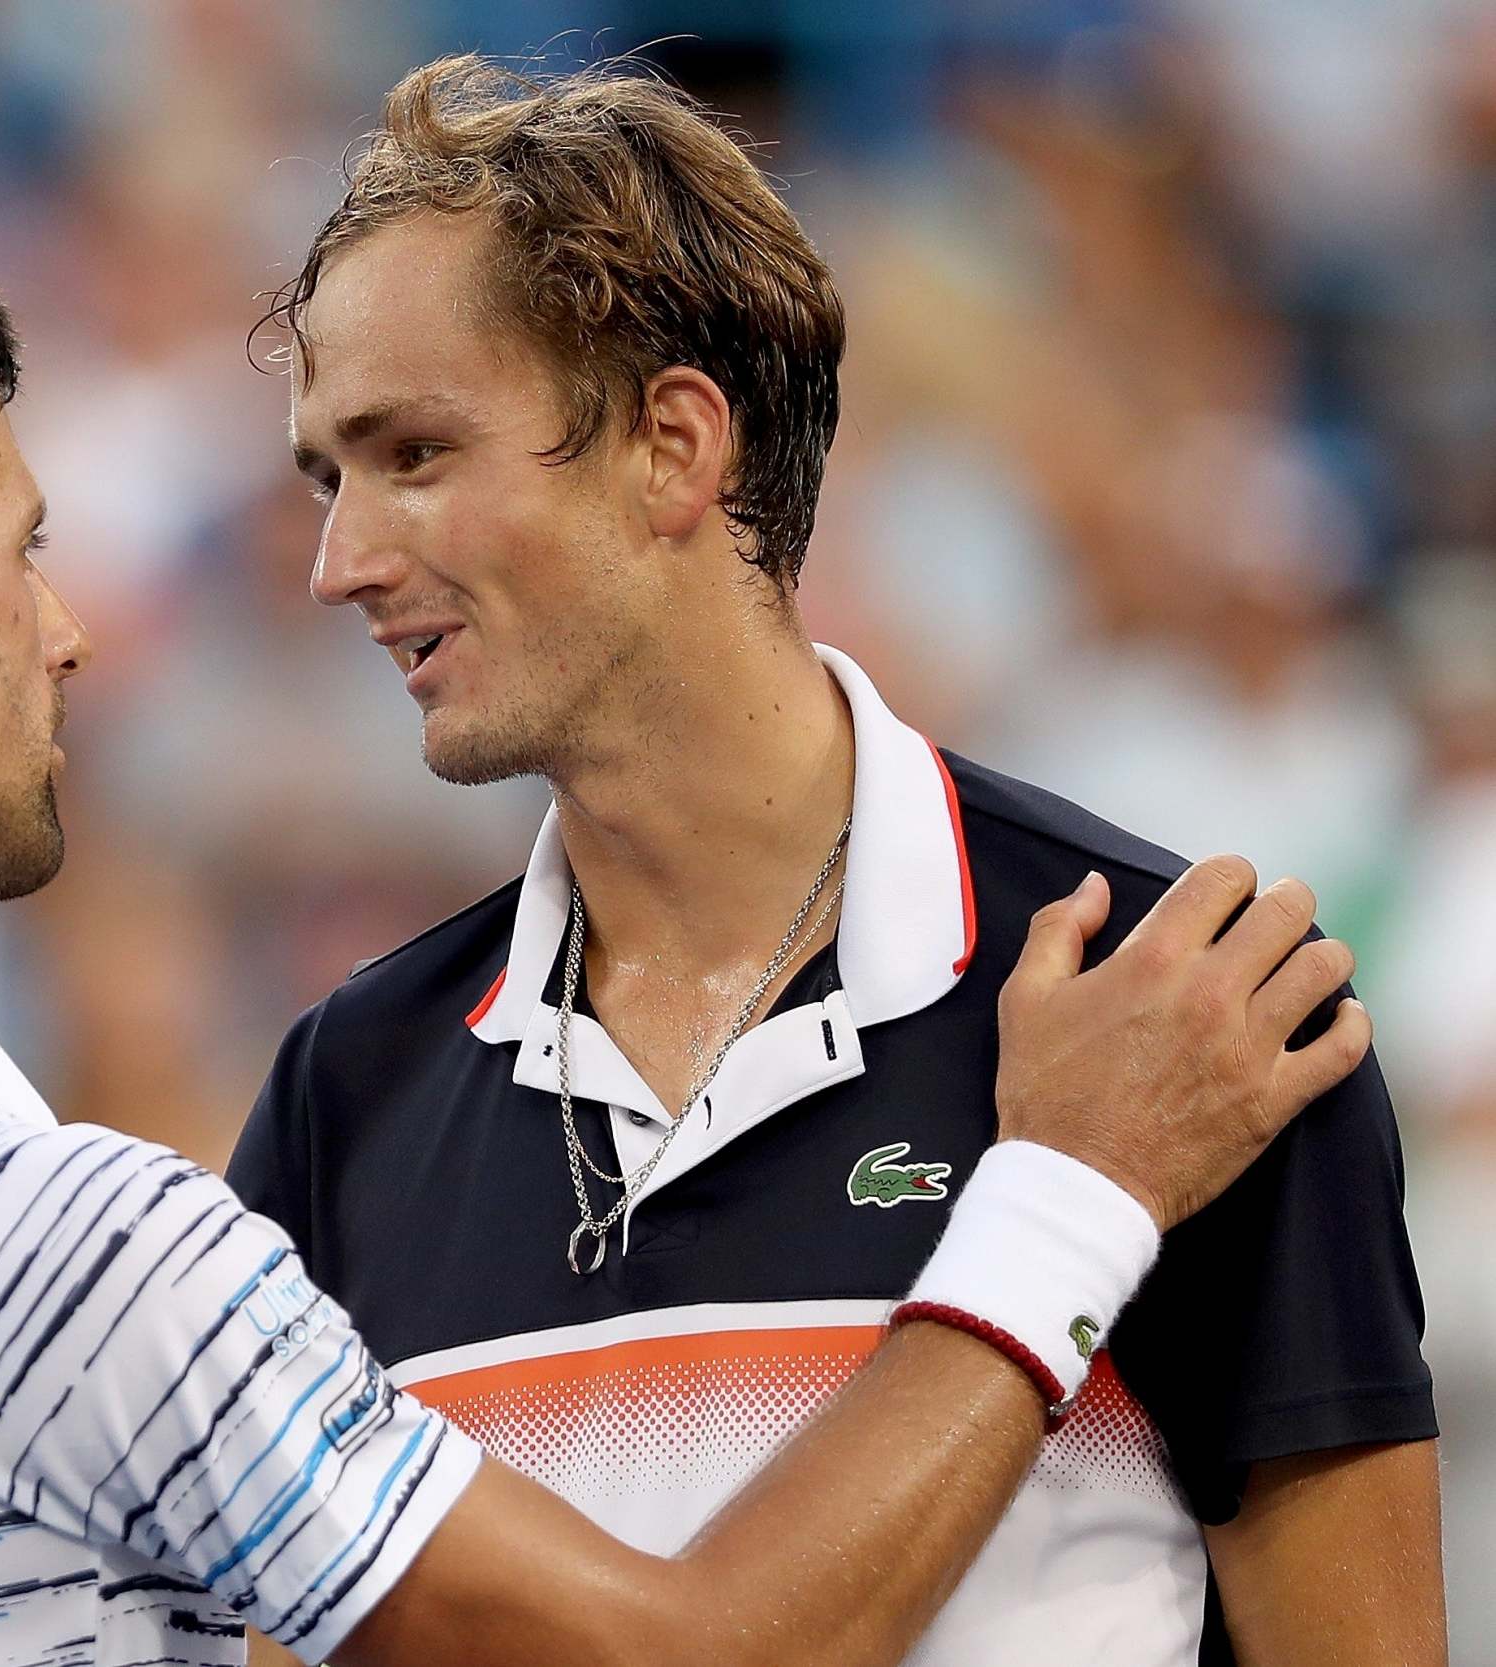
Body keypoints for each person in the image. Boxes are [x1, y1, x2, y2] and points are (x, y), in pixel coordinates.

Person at [0, 231, 1365, 1667]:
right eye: (24, 550)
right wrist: (1072, 1196)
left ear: (681, 457)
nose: (76, 628)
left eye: (406, 456)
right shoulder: (75, 1233)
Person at [225, 56, 1443, 1667]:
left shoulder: (1187, 1007)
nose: (337, 564)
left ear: (672, 445)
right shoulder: (343, 1092)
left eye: (412, 455)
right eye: (328, 476)